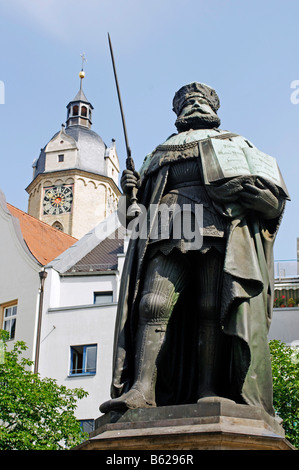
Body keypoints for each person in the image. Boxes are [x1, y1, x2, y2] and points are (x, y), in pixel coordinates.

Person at [100, 82, 288, 416]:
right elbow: (132, 220)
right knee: (151, 303)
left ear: (214, 109)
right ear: (178, 113)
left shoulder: (237, 144)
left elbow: (272, 203)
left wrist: (252, 194)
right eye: (188, 102)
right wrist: (130, 192)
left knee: (211, 306)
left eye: (201, 100)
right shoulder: (157, 154)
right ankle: (142, 389)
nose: (195, 105)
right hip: (165, 227)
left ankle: (209, 388)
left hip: (218, 228)